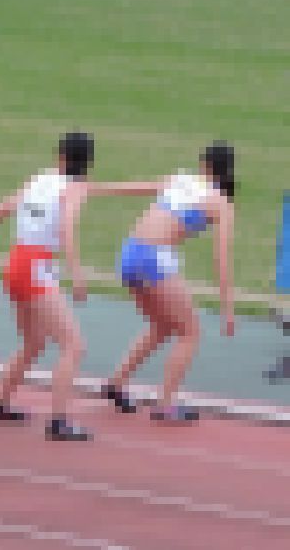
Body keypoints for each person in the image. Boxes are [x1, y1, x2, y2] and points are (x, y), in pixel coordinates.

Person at [100, 142, 236, 421]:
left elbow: (140, 187)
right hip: (154, 256)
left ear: (204, 166)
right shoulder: (221, 204)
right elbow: (221, 259)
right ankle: (165, 405)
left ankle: (115, 383)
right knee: (190, 332)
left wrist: (96, 188)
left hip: (129, 251)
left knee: (162, 326)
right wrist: (227, 308)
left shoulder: (182, 178)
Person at [0, 132, 94, 441]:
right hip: (37, 266)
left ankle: (0, 404)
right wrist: (76, 274)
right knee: (74, 345)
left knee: (34, 342)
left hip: (16, 261)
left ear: (60, 157)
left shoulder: (39, 178)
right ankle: (58, 422)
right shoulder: (76, 189)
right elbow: (66, 229)